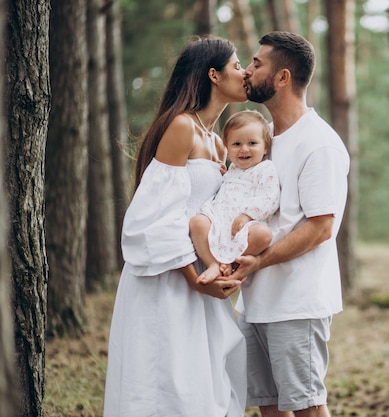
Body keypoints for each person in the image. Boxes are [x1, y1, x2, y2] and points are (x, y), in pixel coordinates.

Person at [103, 35, 249, 417]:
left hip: (203, 280)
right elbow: (152, 215)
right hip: (167, 277)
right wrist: (190, 276)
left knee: (203, 383)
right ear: (213, 75)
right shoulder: (181, 127)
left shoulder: (219, 144)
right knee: (167, 383)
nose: (245, 72)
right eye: (237, 66)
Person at [229, 32, 350, 417]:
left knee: (307, 407)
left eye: (256, 63)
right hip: (256, 302)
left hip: (297, 303)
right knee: (271, 407)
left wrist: (260, 261)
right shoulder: (264, 142)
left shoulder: (319, 143)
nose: (247, 71)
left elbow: (320, 227)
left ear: (282, 78)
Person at [189, 110, 280, 279]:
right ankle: (213, 264)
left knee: (264, 235)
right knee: (197, 223)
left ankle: (231, 263)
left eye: (252, 143)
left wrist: (247, 215)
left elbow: (270, 198)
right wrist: (222, 176)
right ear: (227, 147)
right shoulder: (232, 169)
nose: (244, 149)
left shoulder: (265, 168)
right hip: (219, 218)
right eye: (236, 144)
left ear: (265, 146)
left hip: (244, 225)